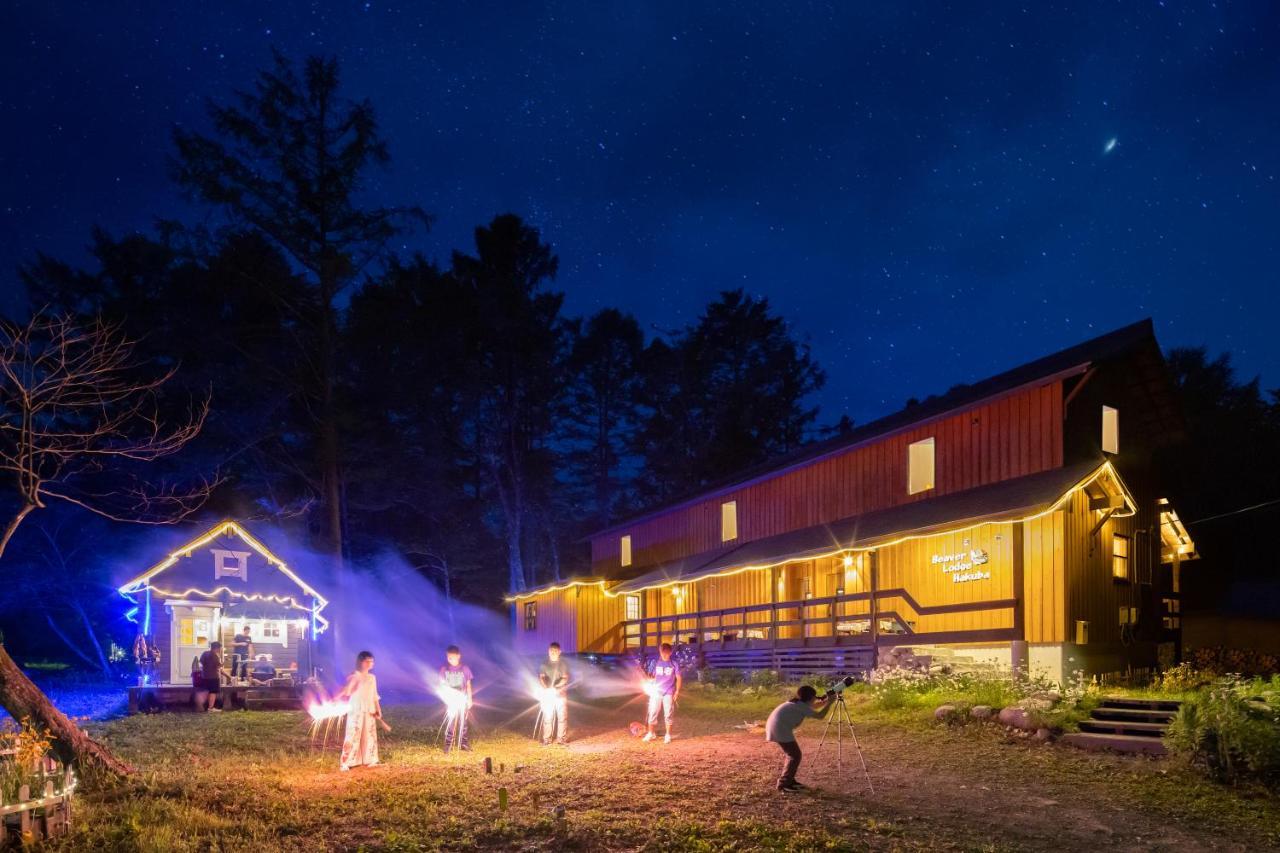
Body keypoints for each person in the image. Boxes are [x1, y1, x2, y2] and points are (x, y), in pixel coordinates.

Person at [765, 684, 834, 792]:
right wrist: (829, 703)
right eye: (814, 697)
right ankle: (784, 784)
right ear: (810, 697)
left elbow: (812, 707)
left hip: (777, 727)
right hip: (780, 729)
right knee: (794, 755)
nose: (815, 699)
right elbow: (820, 716)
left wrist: (826, 701)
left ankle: (789, 781)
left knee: (794, 755)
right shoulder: (800, 706)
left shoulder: (798, 703)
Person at [335, 650, 386, 771]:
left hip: (369, 709)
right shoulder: (354, 676)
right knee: (353, 733)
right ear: (361, 662)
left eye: (372, 661)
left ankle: (371, 758)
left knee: (369, 733)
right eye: (367, 661)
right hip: (356, 708)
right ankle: (346, 761)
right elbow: (347, 691)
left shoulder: (372, 678)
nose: (370, 663)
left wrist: (378, 709)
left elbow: (374, 695)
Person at [643, 642, 682, 743]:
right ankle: (651, 733)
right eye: (662, 652)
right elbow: (651, 676)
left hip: (668, 692)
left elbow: (678, 678)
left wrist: (677, 691)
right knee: (653, 712)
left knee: (668, 713)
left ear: (670, 652)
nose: (664, 654)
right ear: (660, 652)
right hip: (657, 691)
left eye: (666, 652)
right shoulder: (656, 663)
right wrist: (649, 682)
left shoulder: (674, 664)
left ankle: (668, 735)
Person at [439, 645, 474, 753]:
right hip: (451, 701)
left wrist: (470, 699)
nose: (451, 660)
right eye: (449, 658)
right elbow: (442, 685)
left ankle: (463, 744)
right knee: (451, 723)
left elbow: (468, 684)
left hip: (462, 700)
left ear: (459, 656)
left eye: (453, 658)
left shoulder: (465, 669)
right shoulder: (444, 669)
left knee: (463, 724)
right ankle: (448, 745)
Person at [538, 641, 570, 746]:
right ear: (548, 651)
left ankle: (561, 739)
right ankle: (547, 739)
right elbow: (541, 677)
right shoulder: (544, 664)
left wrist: (556, 687)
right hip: (548, 694)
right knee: (548, 716)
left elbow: (565, 678)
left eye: (555, 651)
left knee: (562, 716)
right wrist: (546, 688)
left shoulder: (563, 664)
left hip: (560, 694)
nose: (553, 652)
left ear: (559, 652)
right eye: (551, 650)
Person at [197, 641, 224, 712]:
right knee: (213, 692)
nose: (220, 650)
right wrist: (223, 663)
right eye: (220, 648)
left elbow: (201, 662)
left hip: (204, 676)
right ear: (217, 648)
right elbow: (218, 666)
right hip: (213, 676)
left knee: (206, 691)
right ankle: (210, 708)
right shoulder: (215, 656)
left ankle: (202, 705)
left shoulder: (205, 653)